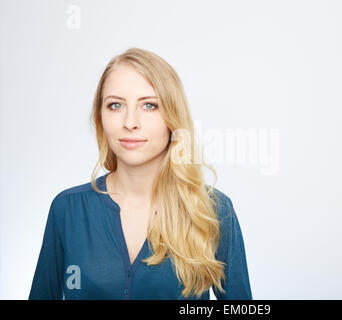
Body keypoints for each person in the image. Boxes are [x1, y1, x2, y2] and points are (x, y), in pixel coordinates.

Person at [28, 48, 252, 300]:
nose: (130, 122)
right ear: (101, 117)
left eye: (149, 105)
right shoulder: (67, 209)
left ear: (172, 117)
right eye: (115, 105)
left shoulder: (213, 210)